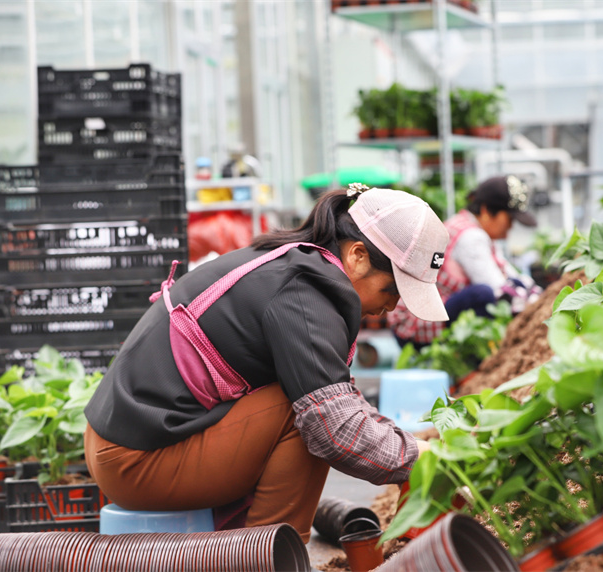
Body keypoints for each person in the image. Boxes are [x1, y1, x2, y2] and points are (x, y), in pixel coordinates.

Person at [83, 185, 449, 541]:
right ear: (357, 256)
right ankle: (264, 557)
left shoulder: (298, 268)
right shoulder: (304, 294)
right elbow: (334, 426)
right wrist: (419, 457)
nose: (392, 307)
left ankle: (249, 545)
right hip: (135, 461)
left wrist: (410, 448)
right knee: (308, 415)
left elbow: (341, 398)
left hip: (130, 445)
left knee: (314, 402)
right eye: (392, 290)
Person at [388, 175, 542, 348]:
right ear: (485, 211)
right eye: (510, 219)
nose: (511, 227)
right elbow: (499, 288)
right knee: (483, 295)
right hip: (415, 325)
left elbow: (510, 275)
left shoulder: (476, 230)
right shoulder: (470, 236)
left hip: (430, 315)